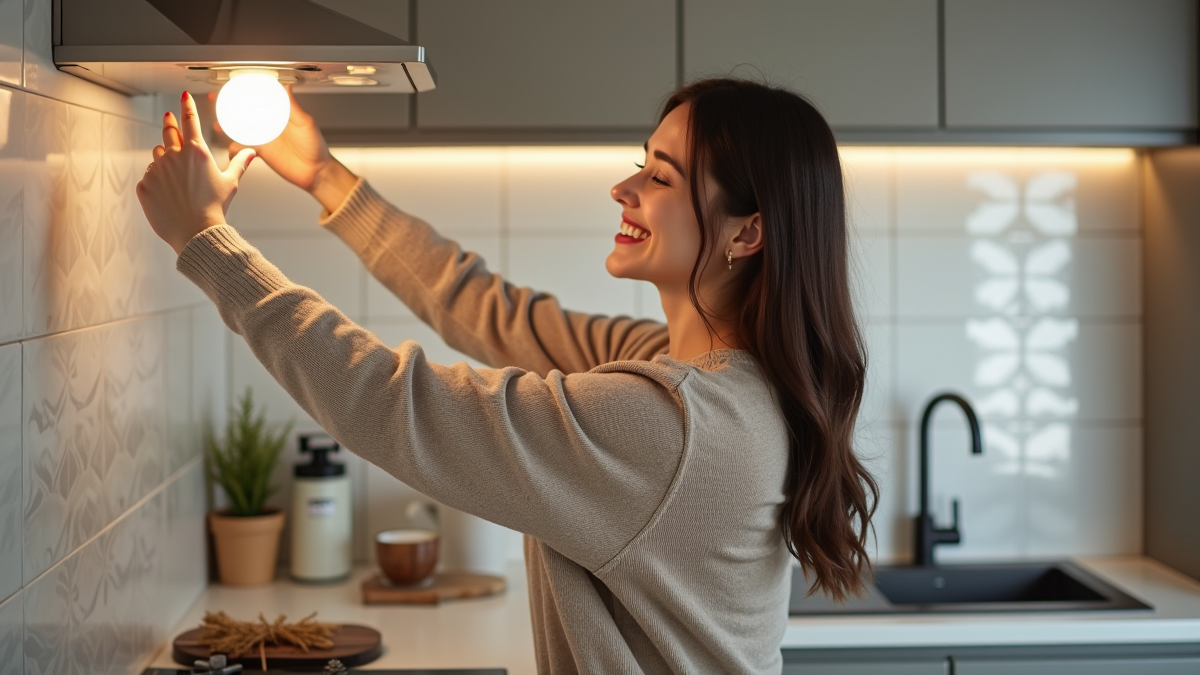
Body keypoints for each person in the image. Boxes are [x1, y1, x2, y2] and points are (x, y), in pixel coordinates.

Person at [137, 78, 878, 675]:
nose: (624, 188)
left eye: (659, 176)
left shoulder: (669, 423)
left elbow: (395, 404)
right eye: (640, 162)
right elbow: (493, 313)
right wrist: (326, 176)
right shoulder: (702, 377)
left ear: (746, 233)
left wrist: (208, 242)